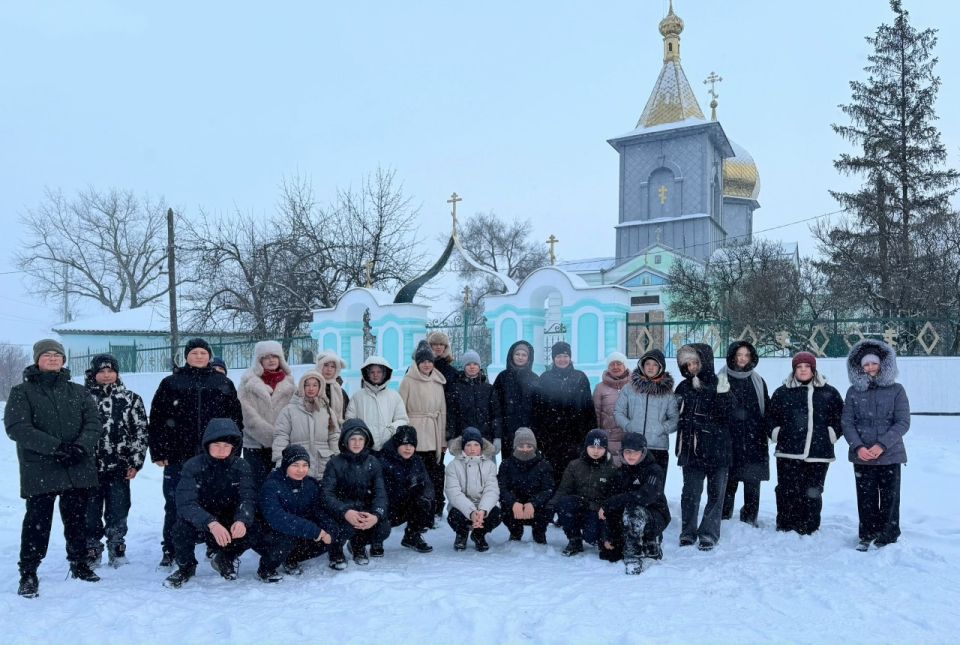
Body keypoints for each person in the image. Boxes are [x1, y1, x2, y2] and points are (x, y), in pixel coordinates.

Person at [5, 339, 102, 597]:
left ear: (63, 360)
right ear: (37, 359)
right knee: (37, 521)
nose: (52, 358)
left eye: (57, 355)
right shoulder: (21, 391)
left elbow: (93, 423)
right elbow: (17, 427)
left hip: (77, 465)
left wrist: (80, 447)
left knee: (77, 519)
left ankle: (79, 562)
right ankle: (29, 571)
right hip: (41, 468)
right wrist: (57, 447)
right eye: (46, 355)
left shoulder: (79, 392)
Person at [148, 337, 244, 567]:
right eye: (194, 353)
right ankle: (171, 547)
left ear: (209, 356)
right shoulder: (172, 383)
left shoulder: (222, 383)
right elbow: (158, 419)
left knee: (216, 500)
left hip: (216, 455)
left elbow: (235, 420)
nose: (199, 357)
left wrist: (234, 450)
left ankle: (215, 545)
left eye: (203, 353)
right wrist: (159, 451)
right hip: (179, 454)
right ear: (186, 356)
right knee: (175, 502)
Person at [164, 418, 263, 588]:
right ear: (207, 445)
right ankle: (186, 568)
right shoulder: (193, 466)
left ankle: (225, 558)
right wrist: (210, 522)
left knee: (255, 527)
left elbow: (248, 498)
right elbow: (186, 503)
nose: (221, 450)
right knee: (180, 529)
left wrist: (241, 519)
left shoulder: (242, 466)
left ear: (233, 447)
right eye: (217, 445)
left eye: (226, 445)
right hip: (202, 520)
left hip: (229, 520)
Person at [841, 339, 910, 551]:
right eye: (866, 364)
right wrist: (859, 447)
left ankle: (888, 535)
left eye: (874, 363)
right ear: (859, 367)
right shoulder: (854, 391)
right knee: (866, 497)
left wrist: (882, 445)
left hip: (890, 453)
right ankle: (867, 533)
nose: (870, 367)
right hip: (862, 455)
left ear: (882, 364)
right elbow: (847, 422)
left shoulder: (897, 390)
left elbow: (903, 422)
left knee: (890, 497)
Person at [767, 351, 844, 536]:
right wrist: (777, 433)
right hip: (788, 451)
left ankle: (809, 525)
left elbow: (841, 418)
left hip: (819, 451)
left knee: (813, 490)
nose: (803, 370)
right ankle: (786, 524)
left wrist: (831, 434)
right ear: (794, 370)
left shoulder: (829, 392)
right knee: (787, 489)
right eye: (799, 367)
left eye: (806, 367)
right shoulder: (782, 392)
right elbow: (770, 417)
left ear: (813, 369)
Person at [83, 353, 149, 568]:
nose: (106, 375)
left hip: (119, 466)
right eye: (101, 371)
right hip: (88, 467)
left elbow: (140, 432)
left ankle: (117, 546)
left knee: (118, 508)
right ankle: (92, 547)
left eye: (110, 370)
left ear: (117, 373)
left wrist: (135, 461)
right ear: (94, 374)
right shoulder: (82, 398)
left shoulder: (130, 399)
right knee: (89, 510)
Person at [675, 343, 731, 551]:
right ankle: (687, 532)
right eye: (687, 364)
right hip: (691, 449)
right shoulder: (682, 387)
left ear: (704, 362)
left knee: (716, 494)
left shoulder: (720, 383)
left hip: (718, 449)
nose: (692, 367)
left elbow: (728, 416)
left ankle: (708, 533)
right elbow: (676, 414)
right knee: (690, 492)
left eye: (695, 362)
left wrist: (724, 395)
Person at [258, 445, 340, 580]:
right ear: (286, 465)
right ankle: (266, 568)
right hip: (271, 533)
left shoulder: (310, 485)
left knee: (332, 531)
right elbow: (277, 518)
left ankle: (291, 559)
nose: (301, 470)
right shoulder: (271, 485)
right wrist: (315, 531)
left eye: (305, 465)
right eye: (295, 465)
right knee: (286, 540)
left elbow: (318, 510)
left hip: (299, 531)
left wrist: (329, 529)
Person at [320, 419, 389, 568]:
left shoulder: (373, 463)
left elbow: (380, 493)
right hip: (341, 512)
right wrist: (344, 511)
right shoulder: (334, 463)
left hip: (364, 510)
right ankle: (335, 549)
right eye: (352, 439)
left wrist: (376, 515)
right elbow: (326, 495)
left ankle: (358, 545)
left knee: (383, 528)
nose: (357, 443)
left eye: (361, 439)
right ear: (345, 440)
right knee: (344, 527)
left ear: (366, 441)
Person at [599, 433, 671, 574]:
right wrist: (607, 537)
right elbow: (611, 503)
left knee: (633, 509)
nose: (631, 456)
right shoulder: (619, 473)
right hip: (628, 520)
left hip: (655, 516)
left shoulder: (654, 470)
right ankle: (644, 543)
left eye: (635, 452)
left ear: (643, 452)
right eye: (627, 451)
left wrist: (613, 502)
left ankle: (634, 555)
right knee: (610, 554)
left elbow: (645, 497)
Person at [716, 341, 770, 527]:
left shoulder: (758, 381)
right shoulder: (721, 379)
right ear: (732, 356)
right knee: (728, 482)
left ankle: (749, 518)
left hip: (754, 441)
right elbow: (714, 411)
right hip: (728, 440)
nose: (742, 359)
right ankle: (723, 518)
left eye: (746, 355)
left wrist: (769, 431)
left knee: (752, 483)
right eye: (739, 354)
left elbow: (766, 409)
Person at [533, 341, 597, 485]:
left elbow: (588, 407)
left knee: (575, 471)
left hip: (576, 435)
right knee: (553, 471)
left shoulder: (580, 377)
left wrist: (590, 432)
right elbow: (538, 410)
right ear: (553, 358)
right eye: (559, 356)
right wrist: (540, 435)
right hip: (552, 436)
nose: (562, 359)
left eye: (565, 356)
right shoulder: (545, 378)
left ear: (570, 357)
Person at [237, 340, 296, 491]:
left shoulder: (289, 382)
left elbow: (293, 411)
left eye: (274, 356)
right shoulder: (248, 382)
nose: (271, 360)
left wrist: (280, 437)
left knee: (280, 486)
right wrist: (269, 435)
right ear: (259, 360)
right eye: (266, 357)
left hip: (282, 444)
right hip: (255, 445)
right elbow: (245, 412)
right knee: (257, 485)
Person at [549, 429, 618, 556]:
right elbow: (563, 490)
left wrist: (603, 509)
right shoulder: (574, 466)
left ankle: (599, 536)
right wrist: (550, 507)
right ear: (586, 446)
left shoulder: (613, 470)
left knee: (591, 536)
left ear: (606, 449)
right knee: (564, 504)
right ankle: (574, 539)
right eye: (592, 447)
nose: (596, 451)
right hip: (580, 505)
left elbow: (614, 498)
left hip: (599, 511)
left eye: (600, 447)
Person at [400, 341, 448, 517]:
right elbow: (401, 410)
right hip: (415, 433)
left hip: (434, 434)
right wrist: (405, 438)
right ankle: (414, 511)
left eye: (430, 361)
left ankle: (434, 508)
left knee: (435, 474)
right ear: (417, 363)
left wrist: (442, 439)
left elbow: (442, 412)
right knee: (415, 475)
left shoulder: (437, 381)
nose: (427, 364)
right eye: (423, 361)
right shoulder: (408, 381)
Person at [613, 349, 678, 475]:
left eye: (655, 365)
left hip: (658, 448)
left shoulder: (667, 393)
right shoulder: (629, 388)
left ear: (660, 368)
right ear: (642, 365)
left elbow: (675, 419)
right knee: (632, 488)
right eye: (648, 364)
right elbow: (618, 412)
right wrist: (628, 425)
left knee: (655, 489)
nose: (650, 368)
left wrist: (662, 428)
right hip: (633, 448)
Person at [273, 371, 340, 480]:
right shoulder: (289, 410)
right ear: (301, 387)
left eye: (315, 385)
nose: (311, 388)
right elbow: (281, 436)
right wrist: (280, 460)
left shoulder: (327, 410)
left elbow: (334, 437)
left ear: (320, 387)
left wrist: (337, 460)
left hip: (323, 466)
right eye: (307, 385)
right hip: (298, 466)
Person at [378, 425, 435, 553]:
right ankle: (376, 540)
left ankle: (411, 535)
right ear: (397, 444)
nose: (408, 448)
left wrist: (426, 501)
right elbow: (377, 490)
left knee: (424, 501)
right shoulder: (383, 460)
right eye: (404, 444)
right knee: (378, 511)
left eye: (411, 444)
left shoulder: (417, 462)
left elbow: (427, 485)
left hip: (404, 505)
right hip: (385, 506)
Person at [444, 427, 501, 552]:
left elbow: (491, 490)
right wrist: (471, 512)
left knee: (496, 514)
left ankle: (478, 535)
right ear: (463, 447)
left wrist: (482, 511)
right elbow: (453, 493)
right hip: (462, 507)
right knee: (455, 515)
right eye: (468, 445)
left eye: (476, 444)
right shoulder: (453, 466)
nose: (472, 448)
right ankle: (462, 534)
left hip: (481, 506)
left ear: (481, 446)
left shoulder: (490, 465)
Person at [498, 428, 554, 544]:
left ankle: (539, 532)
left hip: (536, 506)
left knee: (549, 506)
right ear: (515, 447)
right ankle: (515, 531)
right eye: (521, 446)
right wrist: (513, 502)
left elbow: (548, 489)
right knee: (504, 504)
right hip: (515, 505)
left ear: (534, 447)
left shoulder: (544, 465)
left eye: (529, 446)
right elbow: (502, 488)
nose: (525, 449)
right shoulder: (506, 465)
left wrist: (533, 503)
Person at [345, 355, 409, 451]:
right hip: (364, 447)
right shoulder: (357, 397)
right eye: (372, 372)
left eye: (379, 372)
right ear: (367, 374)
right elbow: (350, 421)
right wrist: (362, 433)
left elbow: (403, 419)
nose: (375, 375)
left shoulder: (394, 396)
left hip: (389, 447)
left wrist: (391, 429)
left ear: (384, 374)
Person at [491, 340, 539, 461]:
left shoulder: (534, 379)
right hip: (508, 432)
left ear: (529, 358)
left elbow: (539, 408)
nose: (520, 357)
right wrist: (498, 433)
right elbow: (495, 407)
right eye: (517, 354)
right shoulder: (502, 377)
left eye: (524, 355)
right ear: (511, 356)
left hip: (529, 433)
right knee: (509, 466)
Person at [446, 349, 496, 448]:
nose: (472, 367)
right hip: (463, 439)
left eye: (475, 364)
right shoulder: (455, 389)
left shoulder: (488, 389)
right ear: (464, 367)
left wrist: (497, 437)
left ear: (479, 366)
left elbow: (495, 414)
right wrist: (451, 437)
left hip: (485, 439)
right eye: (468, 364)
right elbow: (451, 415)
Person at [593, 351, 632, 465]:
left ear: (625, 366)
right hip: (608, 442)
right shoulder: (600, 388)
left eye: (618, 363)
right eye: (612, 364)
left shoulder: (635, 386)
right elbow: (596, 414)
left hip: (630, 442)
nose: (615, 367)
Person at [316, 351, 349, 424]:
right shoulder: (311, 388)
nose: (329, 369)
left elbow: (347, 415)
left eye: (332, 366)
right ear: (320, 366)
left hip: (337, 432)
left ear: (336, 370)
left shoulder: (341, 392)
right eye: (326, 365)